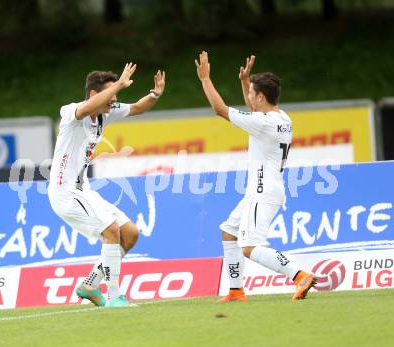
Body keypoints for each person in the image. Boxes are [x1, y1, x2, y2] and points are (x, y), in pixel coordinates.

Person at [194, 51, 316, 302]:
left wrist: (205, 78)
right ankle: (236, 291)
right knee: (229, 231)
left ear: (261, 96)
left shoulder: (264, 123)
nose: (249, 95)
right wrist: (245, 81)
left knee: (250, 246)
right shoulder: (282, 118)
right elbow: (253, 111)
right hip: (263, 190)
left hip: (263, 192)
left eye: (252, 92)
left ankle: (299, 275)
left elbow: (219, 109)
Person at [48, 63, 166, 307]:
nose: (115, 100)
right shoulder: (71, 111)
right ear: (94, 94)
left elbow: (137, 107)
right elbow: (86, 108)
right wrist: (120, 83)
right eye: (111, 94)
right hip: (65, 192)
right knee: (111, 229)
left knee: (130, 233)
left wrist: (155, 94)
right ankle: (115, 296)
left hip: (84, 190)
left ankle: (90, 285)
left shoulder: (106, 111)